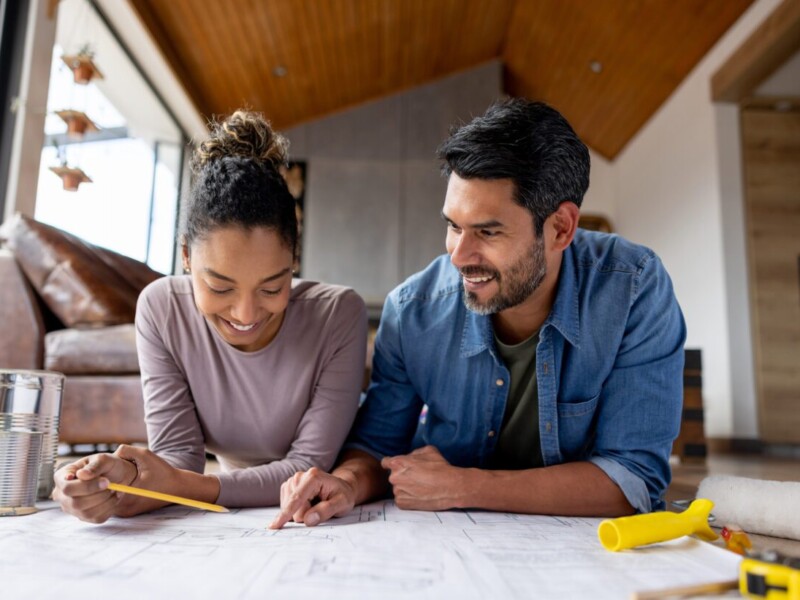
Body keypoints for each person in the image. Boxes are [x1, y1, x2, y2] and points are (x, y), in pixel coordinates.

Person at [270, 98, 685, 529]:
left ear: (560, 228)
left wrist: (465, 487)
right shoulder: (412, 311)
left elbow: (635, 478)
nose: (458, 256)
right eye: (453, 226)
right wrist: (349, 484)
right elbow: (376, 447)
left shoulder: (633, 289)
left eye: (488, 231)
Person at [53, 111, 367, 523]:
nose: (246, 313)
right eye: (220, 288)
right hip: (236, 501)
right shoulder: (162, 308)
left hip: (324, 499)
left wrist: (179, 486)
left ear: (293, 260)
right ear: (186, 257)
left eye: (273, 288)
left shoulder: (338, 314)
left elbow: (308, 465)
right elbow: (178, 457)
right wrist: (114, 482)